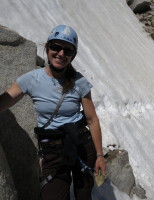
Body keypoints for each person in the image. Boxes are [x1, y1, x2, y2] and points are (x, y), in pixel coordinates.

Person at [0, 25, 106, 200]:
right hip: (53, 151)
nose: (61, 54)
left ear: (73, 55)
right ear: (47, 48)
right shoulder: (31, 79)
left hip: (81, 145)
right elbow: (4, 102)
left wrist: (100, 155)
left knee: (83, 195)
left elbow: (92, 119)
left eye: (68, 50)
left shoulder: (79, 82)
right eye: (56, 47)